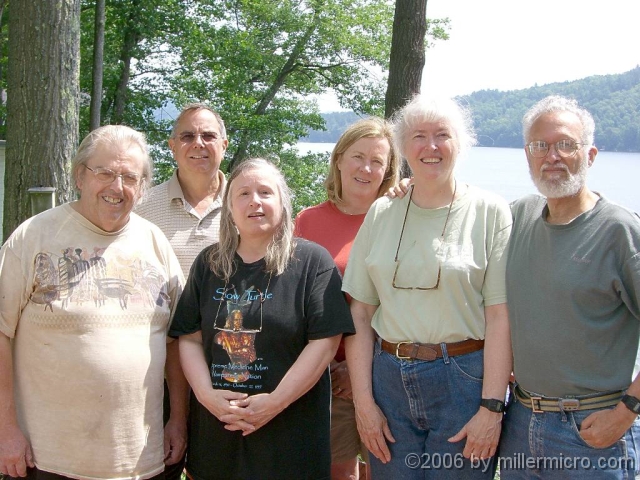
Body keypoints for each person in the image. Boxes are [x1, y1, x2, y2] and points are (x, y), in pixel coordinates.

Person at [342, 95, 512, 479]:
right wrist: (364, 405)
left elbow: (500, 316)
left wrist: (491, 407)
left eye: (442, 135)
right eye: (418, 136)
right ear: (403, 147)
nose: (430, 147)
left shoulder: (490, 211)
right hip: (387, 382)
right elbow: (361, 313)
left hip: (464, 382)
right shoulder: (382, 211)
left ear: (462, 144)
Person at [0, 125, 184, 479]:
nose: (117, 187)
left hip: (140, 460)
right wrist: (5, 430)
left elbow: (178, 341)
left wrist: (178, 419)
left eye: (130, 177)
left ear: (143, 187)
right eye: (105, 173)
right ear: (80, 176)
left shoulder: (155, 243)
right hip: (47, 460)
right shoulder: (33, 237)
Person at [168, 158, 355, 479]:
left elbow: (325, 342)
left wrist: (275, 403)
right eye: (243, 193)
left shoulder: (312, 262)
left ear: (282, 203)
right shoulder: (209, 264)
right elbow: (189, 337)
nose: (255, 200)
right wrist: (206, 396)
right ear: (229, 207)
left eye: (265, 192)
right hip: (218, 436)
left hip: (291, 441)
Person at [500, 95, 640, 479]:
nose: (552, 156)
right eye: (540, 146)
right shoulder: (518, 216)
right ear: (527, 155)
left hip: (594, 429)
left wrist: (627, 412)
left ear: (590, 155)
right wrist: (408, 189)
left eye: (565, 144)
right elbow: (457, 214)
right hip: (521, 422)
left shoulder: (620, 231)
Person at [294, 117, 399, 480]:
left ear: (388, 171)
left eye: (377, 161)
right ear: (339, 159)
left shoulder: (399, 220)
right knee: (339, 472)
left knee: (386, 471)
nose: (366, 168)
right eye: (358, 156)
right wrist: (326, 370)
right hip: (327, 378)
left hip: (387, 373)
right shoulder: (306, 222)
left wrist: (361, 373)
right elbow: (295, 305)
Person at [135, 103, 229, 479]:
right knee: (159, 468)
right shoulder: (142, 208)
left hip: (229, 368)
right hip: (155, 370)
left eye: (208, 135)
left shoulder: (248, 203)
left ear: (224, 143)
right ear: (172, 146)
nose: (198, 144)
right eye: (187, 136)